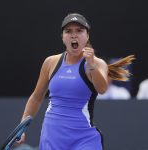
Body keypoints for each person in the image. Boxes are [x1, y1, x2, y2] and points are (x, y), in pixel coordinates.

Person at [17, 13, 135, 150]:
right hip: (52, 136)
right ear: (63, 37)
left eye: (79, 30)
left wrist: (91, 65)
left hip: (84, 139)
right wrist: (22, 127)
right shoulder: (50, 62)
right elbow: (37, 97)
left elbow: (102, 89)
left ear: (87, 36)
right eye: (68, 31)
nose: (74, 35)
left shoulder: (98, 63)